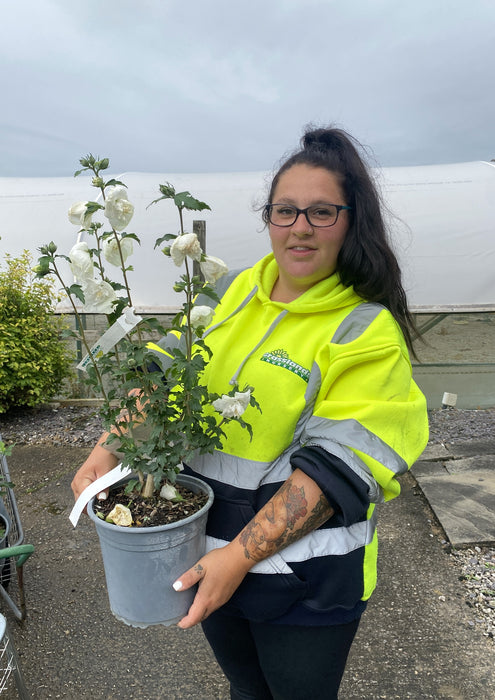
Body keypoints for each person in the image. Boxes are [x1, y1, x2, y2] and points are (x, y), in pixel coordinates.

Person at [72, 126, 429, 699]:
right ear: (268, 217)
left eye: (322, 212)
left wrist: (240, 557)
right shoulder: (236, 292)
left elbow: (339, 467)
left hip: (304, 579)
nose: (300, 227)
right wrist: (105, 450)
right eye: (285, 211)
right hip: (212, 555)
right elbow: (171, 374)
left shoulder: (365, 331)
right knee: (245, 691)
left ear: (351, 220)